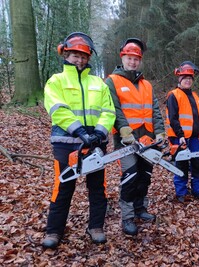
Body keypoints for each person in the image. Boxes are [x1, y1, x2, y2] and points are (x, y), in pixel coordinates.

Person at [42, 32, 116, 249]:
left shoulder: (98, 83)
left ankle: (96, 226)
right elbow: (57, 110)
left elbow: (108, 110)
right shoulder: (56, 81)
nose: (79, 59)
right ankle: (54, 231)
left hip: (95, 143)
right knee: (63, 187)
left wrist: (100, 133)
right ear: (66, 54)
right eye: (75, 55)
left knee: (97, 187)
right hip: (66, 141)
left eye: (83, 56)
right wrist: (79, 132)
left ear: (89, 58)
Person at [104, 38, 166, 236]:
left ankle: (141, 208)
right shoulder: (112, 81)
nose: (132, 62)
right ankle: (128, 217)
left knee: (144, 176)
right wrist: (123, 129)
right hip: (126, 139)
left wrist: (160, 131)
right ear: (123, 57)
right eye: (129, 58)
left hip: (148, 137)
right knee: (130, 177)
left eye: (136, 59)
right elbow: (114, 108)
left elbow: (155, 109)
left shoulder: (146, 84)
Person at [165, 61, 199, 202]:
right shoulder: (174, 95)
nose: (188, 80)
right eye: (185, 78)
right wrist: (180, 135)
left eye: (190, 78)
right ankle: (181, 192)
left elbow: (198, 119)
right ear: (180, 79)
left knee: (197, 164)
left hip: (194, 138)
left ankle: (197, 190)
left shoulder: (195, 97)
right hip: (179, 138)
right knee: (181, 164)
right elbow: (173, 118)